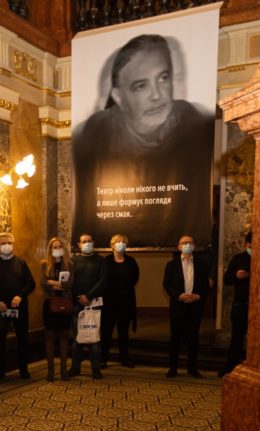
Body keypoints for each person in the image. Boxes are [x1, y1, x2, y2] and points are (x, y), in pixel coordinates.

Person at [73, 34, 212, 244]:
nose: (157, 95)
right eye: (141, 86)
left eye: (163, 78)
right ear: (118, 97)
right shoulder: (91, 136)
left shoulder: (197, 125)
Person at [162, 234, 213, 378]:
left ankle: (192, 367)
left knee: (193, 337)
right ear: (179, 247)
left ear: (194, 246)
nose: (187, 245)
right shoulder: (171, 265)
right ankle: (173, 367)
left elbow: (206, 285)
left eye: (190, 243)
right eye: (184, 243)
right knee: (175, 338)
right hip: (178, 306)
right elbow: (166, 284)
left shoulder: (202, 264)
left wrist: (198, 296)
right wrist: (179, 295)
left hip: (195, 306)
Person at [0, 232, 35, 380]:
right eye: (3, 243)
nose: (6, 245)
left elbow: (31, 283)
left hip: (19, 308)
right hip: (1, 309)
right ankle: (0, 371)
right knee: (0, 340)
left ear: (13, 244)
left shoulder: (21, 263)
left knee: (22, 338)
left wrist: (20, 296)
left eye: (9, 243)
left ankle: (23, 369)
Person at [70, 233, 108, 380]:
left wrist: (89, 296)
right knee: (77, 338)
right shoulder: (73, 261)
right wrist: (79, 297)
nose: (86, 243)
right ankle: (75, 368)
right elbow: (70, 282)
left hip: (95, 304)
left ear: (93, 242)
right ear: (79, 245)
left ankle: (96, 369)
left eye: (89, 241)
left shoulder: (101, 261)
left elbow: (103, 281)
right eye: (84, 241)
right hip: (77, 304)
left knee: (95, 339)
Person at [101, 233, 139, 369]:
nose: (120, 244)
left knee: (123, 333)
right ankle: (103, 359)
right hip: (108, 303)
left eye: (123, 242)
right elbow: (102, 280)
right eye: (118, 241)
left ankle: (124, 359)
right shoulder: (106, 261)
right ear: (112, 245)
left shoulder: (131, 261)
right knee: (106, 333)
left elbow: (135, 278)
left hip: (126, 302)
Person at [41, 237, 74, 382]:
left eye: (59, 246)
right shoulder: (45, 264)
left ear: (63, 248)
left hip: (65, 303)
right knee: (49, 336)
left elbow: (70, 284)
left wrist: (52, 283)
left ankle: (63, 370)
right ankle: (50, 372)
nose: (57, 249)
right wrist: (59, 284)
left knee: (64, 336)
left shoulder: (69, 264)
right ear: (50, 249)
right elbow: (43, 283)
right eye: (54, 247)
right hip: (50, 304)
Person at [220, 231, 252, 377]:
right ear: (246, 244)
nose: (252, 248)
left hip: (259, 309)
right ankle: (230, 368)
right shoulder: (238, 258)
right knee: (237, 338)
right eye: (250, 245)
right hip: (240, 305)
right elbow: (226, 280)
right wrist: (236, 276)